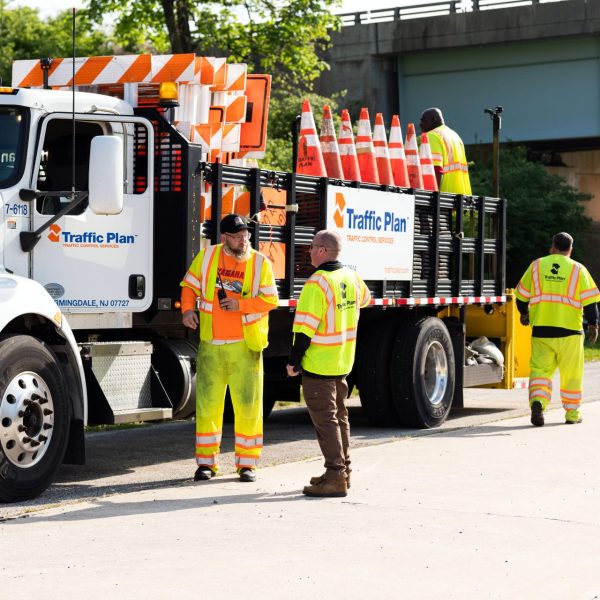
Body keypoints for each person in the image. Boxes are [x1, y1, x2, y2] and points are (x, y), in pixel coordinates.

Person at [181, 213, 278, 482]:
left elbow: (271, 300)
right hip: (211, 344)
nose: (243, 239)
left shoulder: (260, 262)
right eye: (236, 235)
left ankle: (247, 465)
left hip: (245, 346)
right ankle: (206, 465)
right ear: (224, 237)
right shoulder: (208, 257)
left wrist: (241, 306)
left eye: (245, 234)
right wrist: (187, 310)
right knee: (208, 408)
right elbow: (188, 286)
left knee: (248, 406)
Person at [286, 230, 371, 497]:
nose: (309, 251)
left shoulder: (317, 283)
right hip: (343, 360)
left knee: (326, 422)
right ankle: (343, 471)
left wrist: (294, 362)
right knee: (340, 417)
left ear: (322, 251)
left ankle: (335, 476)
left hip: (319, 363)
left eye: (312, 247)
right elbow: (366, 301)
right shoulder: (352, 277)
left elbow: (304, 330)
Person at [515, 232, 600, 426]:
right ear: (570, 249)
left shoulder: (536, 265)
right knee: (572, 374)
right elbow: (590, 303)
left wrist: (524, 313)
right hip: (570, 333)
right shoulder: (579, 269)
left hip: (542, 331)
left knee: (540, 371)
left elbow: (521, 296)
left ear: (552, 246)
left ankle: (538, 402)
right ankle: (572, 415)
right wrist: (594, 325)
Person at [420, 107, 471, 195]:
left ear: (433, 119)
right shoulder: (455, 136)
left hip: (444, 201)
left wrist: (432, 200)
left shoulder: (432, 136)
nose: (421, 124)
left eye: (423, 121)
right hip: (461, 200)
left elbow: (435, 171)